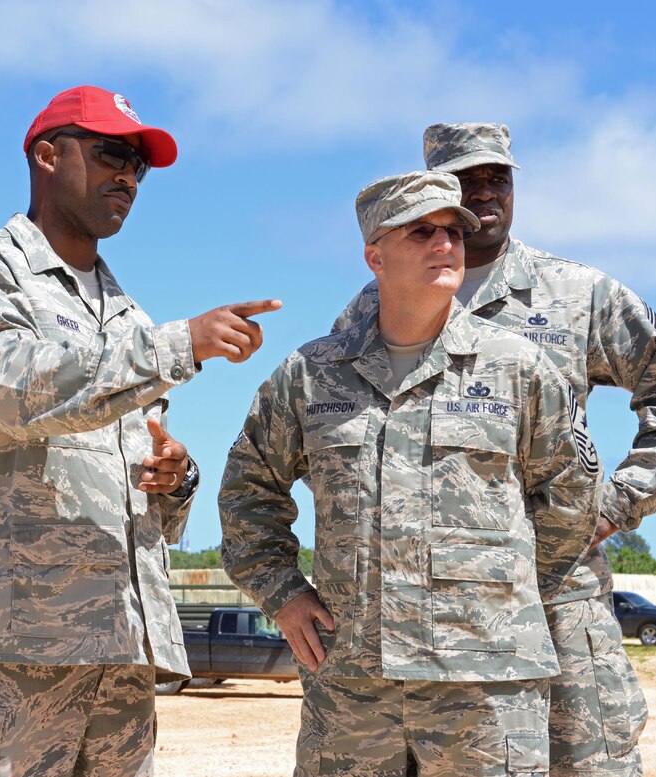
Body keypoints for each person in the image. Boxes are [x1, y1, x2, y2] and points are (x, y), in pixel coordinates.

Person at [0, 85, 281, 775]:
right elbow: (16, 390)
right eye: (112, 154)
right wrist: (181, 345)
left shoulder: (128, 315)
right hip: (7, 653)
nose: (128, 177)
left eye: (139, 166)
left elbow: (153, 517)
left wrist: (174, 479)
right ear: (47, 155)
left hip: (120, 657)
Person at [333, 123, 656, 776]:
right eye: (468, 180)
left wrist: (618, 501)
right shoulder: (374, 307)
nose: (486, 193)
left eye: (499, 178)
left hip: (555, 601)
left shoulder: (577, 293)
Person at [220, 171, 602, 776]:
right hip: (351, 686)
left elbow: (571, 497)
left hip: (484, 685)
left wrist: (499, 601)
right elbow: (247, 493)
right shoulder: (311, 374)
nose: (446, 245)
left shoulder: (518, 369)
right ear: (375, 255)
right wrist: (284, 595)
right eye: (422, 231)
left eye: (453, 232)